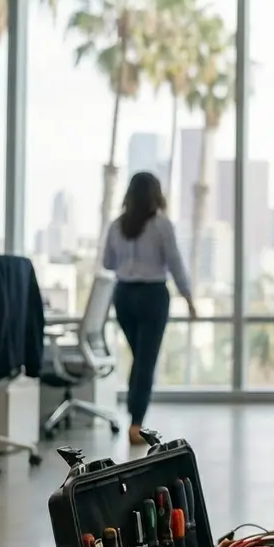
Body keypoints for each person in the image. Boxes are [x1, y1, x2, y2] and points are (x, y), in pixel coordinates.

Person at [102, 173, 196, 445]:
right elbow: (176, 264)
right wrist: (188, 298)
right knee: (145, 361)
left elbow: (108, 263)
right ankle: (136, 424)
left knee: (140, 359)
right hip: (152, 296)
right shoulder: (161, 225)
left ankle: (134, 417)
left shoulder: (116, 226)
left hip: (124, 297)